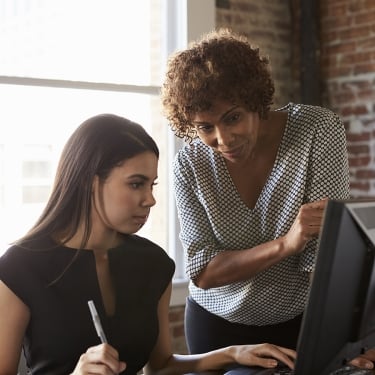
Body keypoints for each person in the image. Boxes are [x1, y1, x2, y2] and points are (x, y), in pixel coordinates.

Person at [0, 113, 297, 375]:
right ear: (89, 182)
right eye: (135, 184)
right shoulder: (20, 268)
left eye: (152, 185)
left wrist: (233, 354)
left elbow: (162, 365)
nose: (150, 199)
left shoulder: (153, 263)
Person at [161, 28, 375, 370]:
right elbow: (202, 270)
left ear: (256, 100)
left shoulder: (318, 130)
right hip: (216, 325)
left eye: (233, 117)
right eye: (205, 127)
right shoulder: (190, 165)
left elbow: (322, 258)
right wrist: (287, 243)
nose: (223, 139)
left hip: (301, 322)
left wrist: (355, 341)